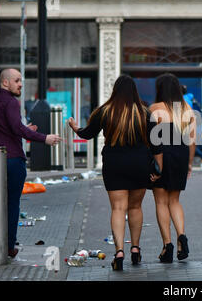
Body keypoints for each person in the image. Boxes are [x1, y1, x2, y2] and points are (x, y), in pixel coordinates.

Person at [68, 75, 163, 271]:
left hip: (114, 163)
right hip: (139, 163)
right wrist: (158, 169)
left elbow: (87, 134)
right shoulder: (144, 113)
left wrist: (75, 127)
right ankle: (135, 249)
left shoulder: (105, 111)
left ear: (115, 91)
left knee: (118, 208)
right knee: (135, 207)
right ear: (134, 92)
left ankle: (119, 251)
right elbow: (156, 144)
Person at [0, 68, 61, 259]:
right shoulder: (12, 102)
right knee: (12, 203)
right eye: (17, 81)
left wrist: (24, 130)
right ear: (5, 83)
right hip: (12, 159)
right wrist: (45, 138)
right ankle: (8, 246)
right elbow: (16, 128)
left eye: (21, 80)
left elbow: (7, 129)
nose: (20, 84)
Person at [149, 73, 196, 263]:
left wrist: (153, 165)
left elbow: (151, 141)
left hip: (162, 155)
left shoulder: (154, 109)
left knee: (161, 202)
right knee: (175, 200)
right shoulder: (187, 109)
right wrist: (189, 164)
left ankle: (167, 245)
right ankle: (181, 236)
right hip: (181, 155)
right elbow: (191, 141)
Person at [181, 85, 202, 170]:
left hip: (188, 123)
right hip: (196, 122)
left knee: (188, 144)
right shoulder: (190, 97)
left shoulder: (183, 100)